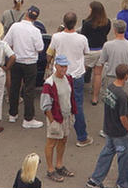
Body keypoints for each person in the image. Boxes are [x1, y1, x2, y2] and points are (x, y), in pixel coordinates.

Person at [46, 12, 91, 147]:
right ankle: (82, 136)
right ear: (75, 23)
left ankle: (58, 132)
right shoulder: (82, 38)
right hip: (76, 75)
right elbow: (86, 52)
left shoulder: (56, 37)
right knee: (77, 105)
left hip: (60, 75)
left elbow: (49, 53)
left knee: (57, 103)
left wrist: (49, 64)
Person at [85, 63, 128, 188]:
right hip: (119, 132)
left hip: (108, 128)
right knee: (125, 159)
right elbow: (123, 117)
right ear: (126, 76)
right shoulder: (122, 96)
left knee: (106, 154)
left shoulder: (110, 88)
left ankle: (95, 180)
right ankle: (124, 184)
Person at [4, 5, 45, 129]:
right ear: (35, 18)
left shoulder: (15, 26)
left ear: (26, 13)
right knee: (29, 90)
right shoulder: (35, 31)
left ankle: (13, 113)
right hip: (30, 63)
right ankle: (28, 118)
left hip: (16, 60)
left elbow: (6, 42)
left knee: (14, 87)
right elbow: (40, 48)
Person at [40, 54, 76, 182]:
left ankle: (59, 165)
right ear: (55, 66)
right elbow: (45, 106)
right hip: (55, 118)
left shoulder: (68, 78)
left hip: (66, 116)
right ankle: (50, 170)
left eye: (65, 66)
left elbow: (70, 97)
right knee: (51, 143)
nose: (64, 69)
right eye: (61, 66)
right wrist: (52, 121)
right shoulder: (49, 83)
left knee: (63, 140)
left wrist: (72, 113)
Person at [94, 19, 128, 107]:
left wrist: (98, 75)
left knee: (110, 105)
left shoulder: (108, 45)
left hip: (111, 78)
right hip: (126, 79)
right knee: (123, 105)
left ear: (114, 30)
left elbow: (101, 63)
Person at [80, 1, 110, 93]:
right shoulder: (107, 22)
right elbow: (106, 33)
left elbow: (83, 36)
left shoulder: (87, 23)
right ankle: (95, 97)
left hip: (90, 51)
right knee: (98, 74)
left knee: (80, 72)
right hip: (101, 50)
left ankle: (77, 91)